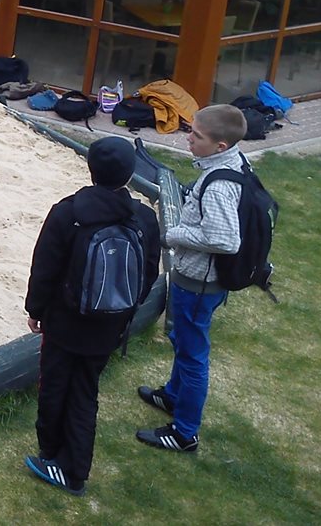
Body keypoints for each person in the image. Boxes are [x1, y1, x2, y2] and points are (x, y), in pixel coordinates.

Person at [22, 136, 161, 496]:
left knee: (55, 385)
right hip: (109, 325)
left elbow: (45, 268)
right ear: (130, 175)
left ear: (90, 169)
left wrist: (35, 310)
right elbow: (148, 273)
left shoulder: (68, 213)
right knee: (85, 390)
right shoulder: (145, 218)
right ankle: (68, 463)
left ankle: (61, 462)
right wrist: (126, 310)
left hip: (65, 323)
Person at [135, 103, 248, 454]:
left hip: (200, 283)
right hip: (203, 280)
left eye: (196, 136)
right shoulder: (234, 163)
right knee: (183, 341)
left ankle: (185, 433)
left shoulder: (217, 186)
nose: (189, 139)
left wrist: (175, 235)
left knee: (193, 355)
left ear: (220, 146)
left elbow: (225, 240)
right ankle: (173, 395)